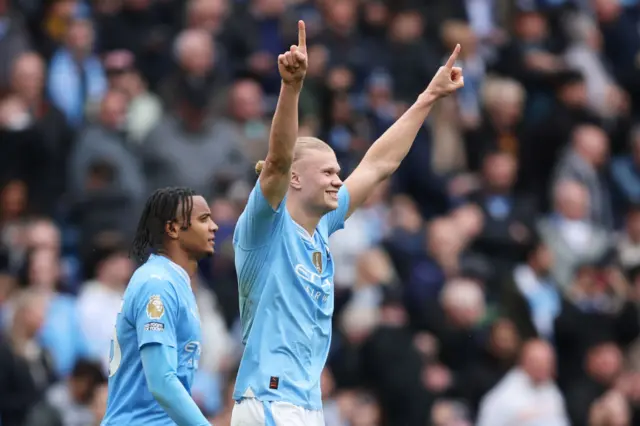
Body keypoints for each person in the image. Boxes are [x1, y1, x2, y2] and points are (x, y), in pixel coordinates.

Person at [231, 20, 465, 426]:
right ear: (295, 179)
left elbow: (378, 164)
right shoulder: (264, 228)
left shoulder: (322, 227)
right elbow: (277, 162)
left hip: (306, 405)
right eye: (327, 173)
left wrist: (429, 97)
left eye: (338, 171)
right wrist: (292, 88)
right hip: (268, 402)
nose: (338, 180)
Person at [101, 187, 218, 426]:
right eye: (204, 219)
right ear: (173, 228)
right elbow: (162, 382)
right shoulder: (158, 285)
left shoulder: (174, 283)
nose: (214, 226)